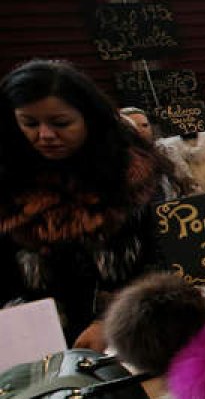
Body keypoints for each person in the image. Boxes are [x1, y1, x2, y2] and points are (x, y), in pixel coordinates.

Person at [0, 59, 178, 347]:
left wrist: (110, 319)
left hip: (136, 333)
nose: (45, 135)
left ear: (89, 118)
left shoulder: (133, 176)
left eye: (61, 123)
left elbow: (161, 257)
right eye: (29, 123)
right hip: (34, 343)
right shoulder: (8, 182)